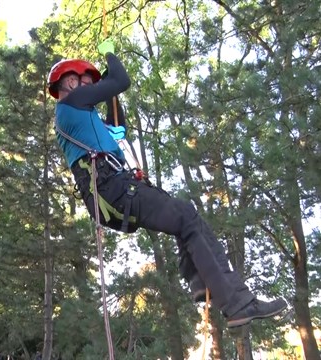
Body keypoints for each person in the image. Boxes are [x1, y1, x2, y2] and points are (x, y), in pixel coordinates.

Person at [47, 39, 287, 328]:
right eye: (83, 81)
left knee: (187, 215)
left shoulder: (87, 118)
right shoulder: (69, 105)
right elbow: (121, 80)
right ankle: (236, 303)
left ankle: (202, 282)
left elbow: (117, 126)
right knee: (186, 217)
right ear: (68, 82)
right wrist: (110, 54)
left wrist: (111, 91)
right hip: (113, 188)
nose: (88, 87)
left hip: (117, 188)